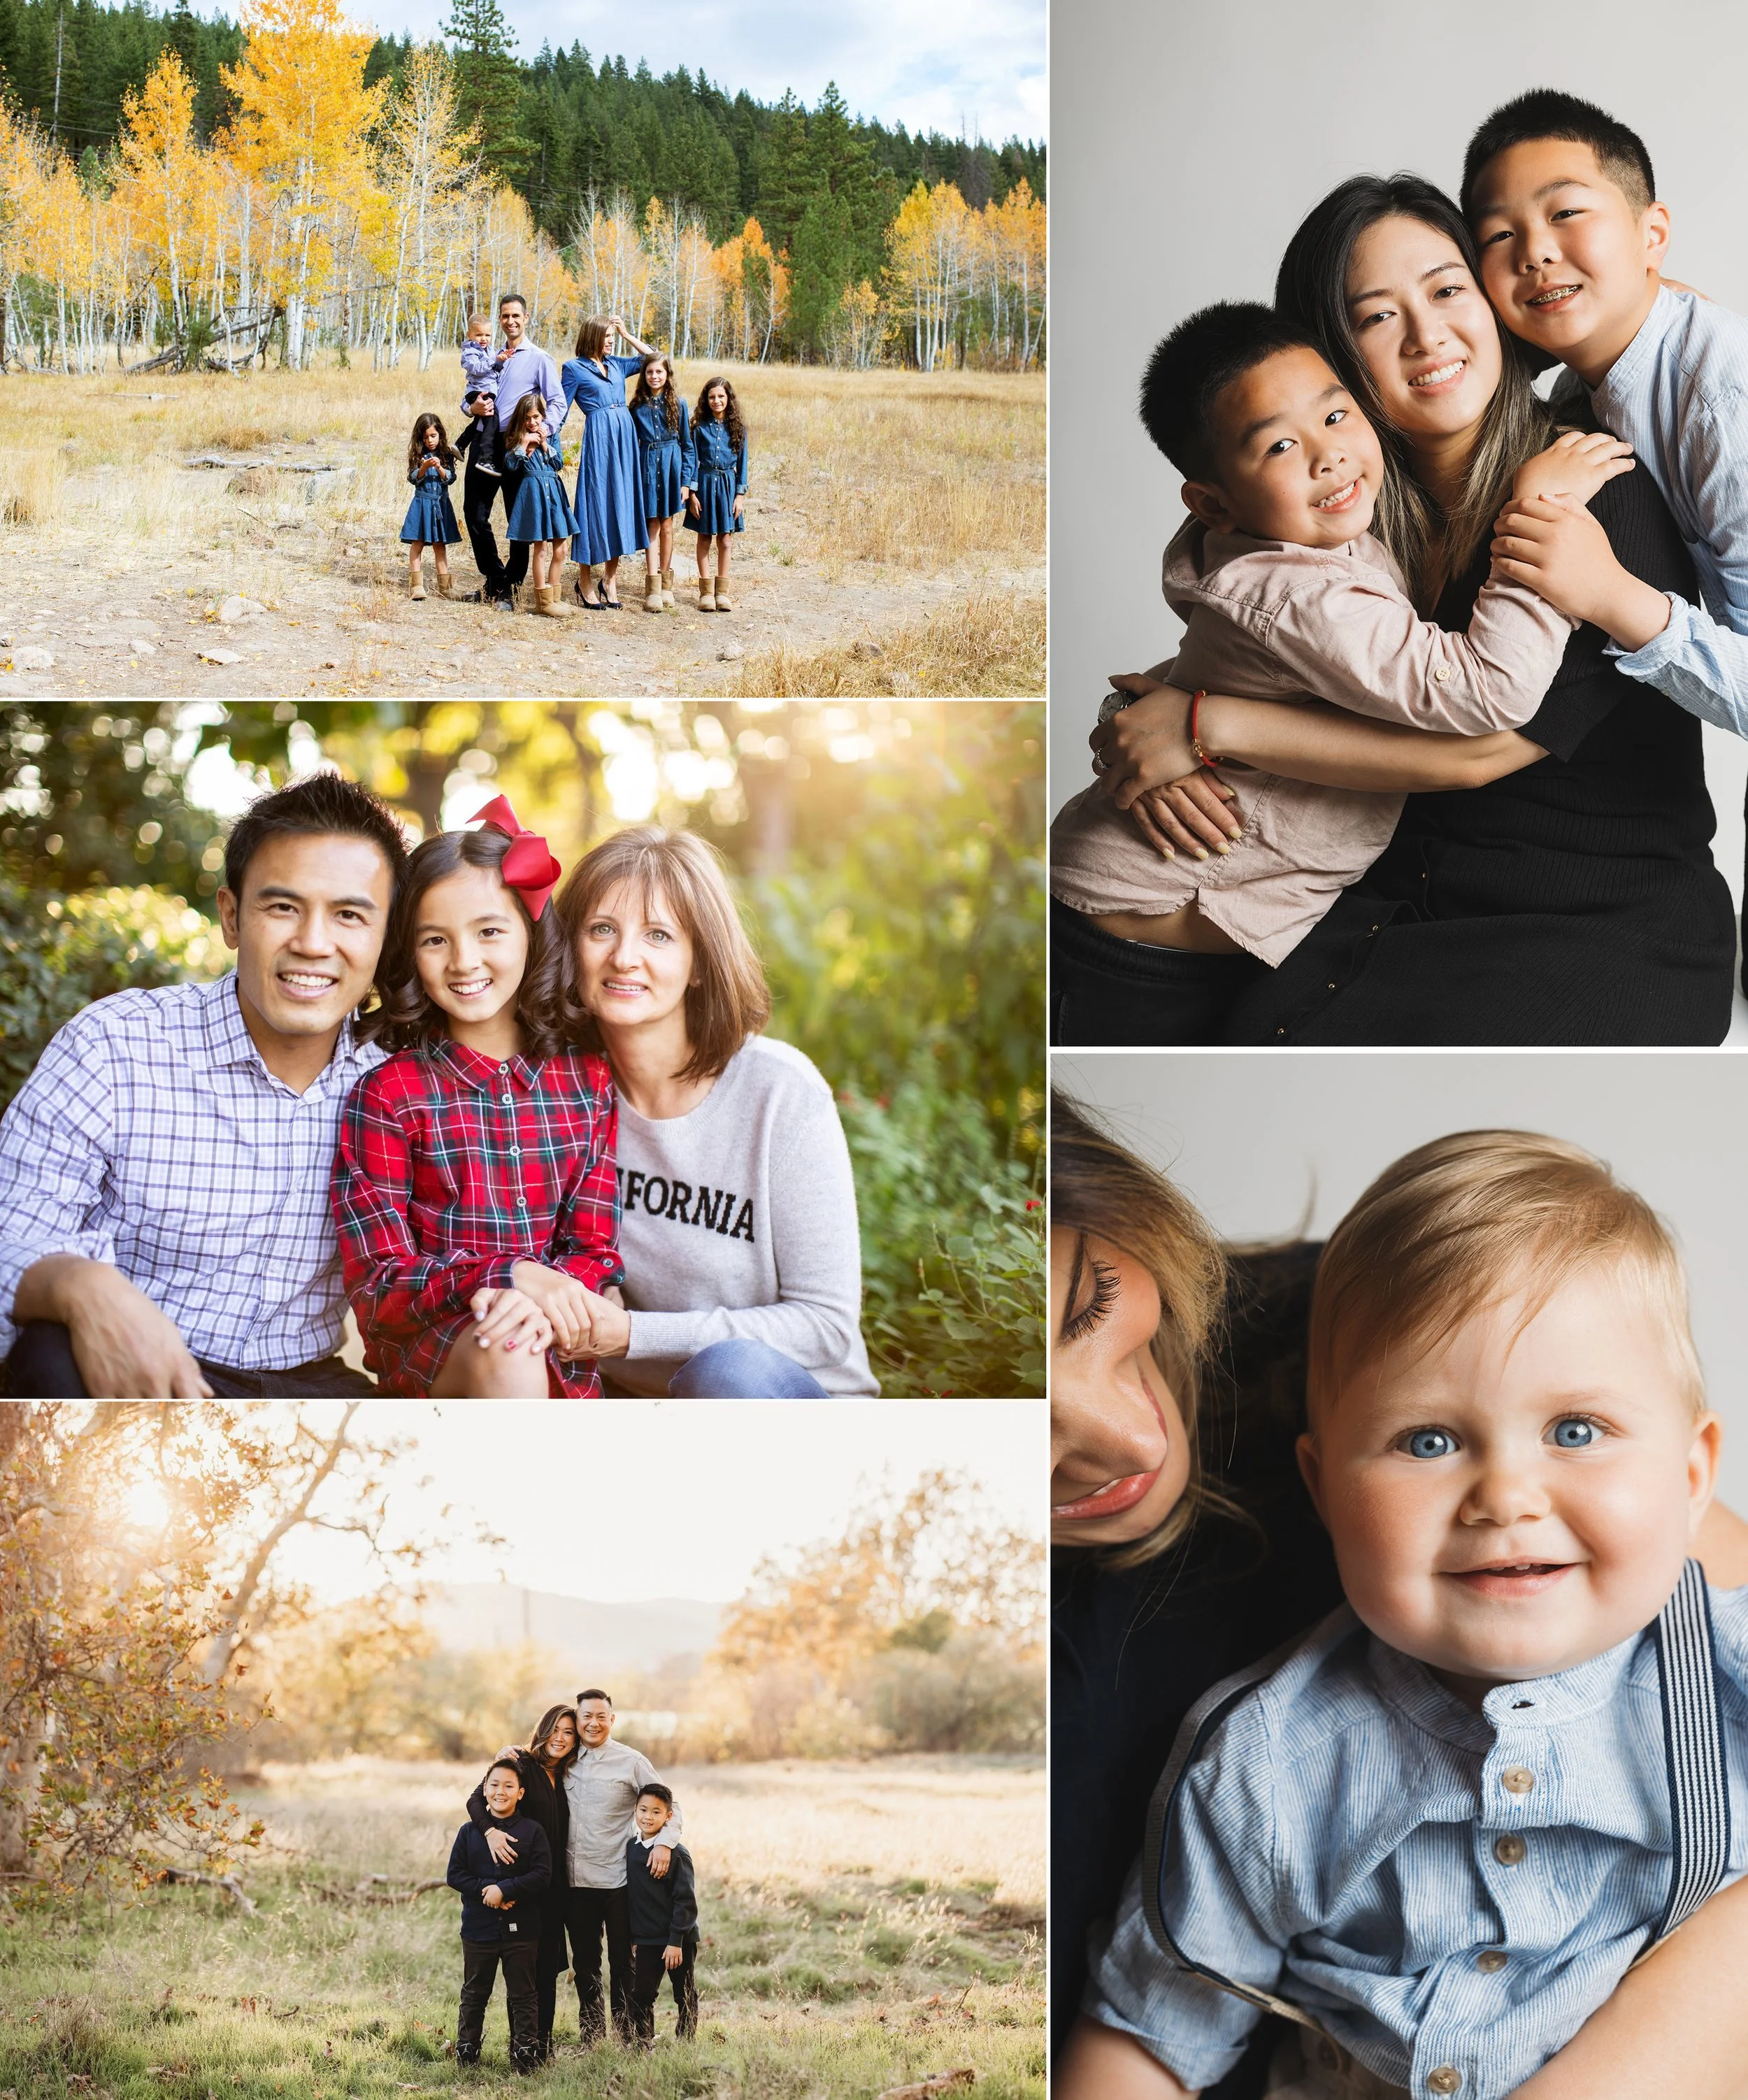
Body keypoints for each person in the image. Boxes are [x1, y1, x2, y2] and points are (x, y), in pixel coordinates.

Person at [1059, 1127, 1748, 2100]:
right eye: (1428, 1438)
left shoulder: (1725, 1674)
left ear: (1691, 1476)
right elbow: (1151, 2029)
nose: (1506, 1493)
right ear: (1323, 1487)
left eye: (1576, 1430)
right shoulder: (1268, 1761)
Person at [1089, 173, 1735, 1045]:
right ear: (1325, 359)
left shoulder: (1588, 489)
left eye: (1446, 290)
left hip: (1591, 925)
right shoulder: (1335, 509)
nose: (1428, 335)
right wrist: (1140, 713)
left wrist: (1204, 725)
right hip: (1390, 908)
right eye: (1375, 316)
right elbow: (1250, 639)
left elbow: (1475, 749)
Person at [1049, 301, 1605, 1045]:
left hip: (1208, 923)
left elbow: (1236, 666)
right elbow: (1488, 688)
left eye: (1336, 417)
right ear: (1213, 502)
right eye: (1279, 447)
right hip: (1127, 947)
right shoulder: (1302, 589)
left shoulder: (1303, 543)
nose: (1327, 456)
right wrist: (1541, 510)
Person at [1462, 92, 1748, 990]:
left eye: (1566, 212)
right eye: (1498, 235)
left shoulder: (1719, 401)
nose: (1535, 250)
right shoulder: (1595, 375)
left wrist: (1612, 597)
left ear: (1651, 232)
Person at [0, 774, 406, 1399]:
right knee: (49, 1355)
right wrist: (81, 1285)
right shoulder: (117, 1046)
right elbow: (9, 1238)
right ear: (232, 917)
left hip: (309, 1386)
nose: (313, 943)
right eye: (282, 907)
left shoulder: (399, 1081)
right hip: (132, 1367)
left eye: (349, 915)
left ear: (385, 938)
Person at [545, 824, 878, 1398]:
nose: (625, 957)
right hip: (628, 1406)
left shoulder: (778, 1092)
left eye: (658, 935)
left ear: (700, 962)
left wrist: (633, 1334)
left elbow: (826, 1325)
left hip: (774, 1400)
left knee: (726, 1372)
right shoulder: (556, 1096)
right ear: (571, 948)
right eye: (602, 929)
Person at [331, 794, 622, 1398]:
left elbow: (594, 1247)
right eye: (435, 940)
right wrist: (506, 1278)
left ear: (531, 933)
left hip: (558, 1343)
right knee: (508, 1342)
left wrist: (544, 1297)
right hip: (437, 1357)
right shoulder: (387, 1095)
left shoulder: (589, 1081)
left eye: (489, 930)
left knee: (520, 1335)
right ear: (408, 950)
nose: (464, 961)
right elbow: (379, 1284)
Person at [548, 1689, 680, 2049]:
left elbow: (672, 1804)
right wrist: (506, 1752)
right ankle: (592, 2039)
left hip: (620, 1881)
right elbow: (527, 1759)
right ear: (577, 1720)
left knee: (624, 1964)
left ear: (612, 1720)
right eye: (586, 1716)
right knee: (586, 1963)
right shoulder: (565, 1758)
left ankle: (631, 2037)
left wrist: (666, 1843)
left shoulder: (631, 1761)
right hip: (576, 1883)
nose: (593, 1723)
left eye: (600, 1716)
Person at [466, 1705, 578, 2062]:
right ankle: (521, 2047)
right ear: (543, 1730)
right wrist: (490, 1832)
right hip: (522, 1887)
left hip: (554, 1886)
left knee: (546, 1968)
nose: (560, 1738)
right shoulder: (521, 1764)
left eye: (569, 1732)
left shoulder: (568, 1773)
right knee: (524, 1972)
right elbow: (475, 1798)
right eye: (555, 1729)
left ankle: (538, 2048)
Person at [446, 1756, 552, 2072]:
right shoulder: (469, 1832)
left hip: (523, 1932)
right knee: (475, 1992)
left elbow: (542, 1875)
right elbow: (455, 1875)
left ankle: (524, 2055)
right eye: (494, 1785)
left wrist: (506, 1890)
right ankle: (467, 2051)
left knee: (523, 1994)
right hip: (478, 1929)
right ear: (485, 1790)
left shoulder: (533, 1831)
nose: (500, 1791)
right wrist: (486, 1890)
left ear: (521, 1793)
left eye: (509, 1786)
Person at [461, 292, 564, 608]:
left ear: (526, 318)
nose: (510, 321)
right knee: (474, 514)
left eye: (516, 315)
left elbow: (558, 403)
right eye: (505, 316)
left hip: (518, 446)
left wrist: (540, 433)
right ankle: (496, 580)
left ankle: (512, 588)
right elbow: (470, 393)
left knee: (518, 517)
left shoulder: (538, 358)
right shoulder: (486, 352)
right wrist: (470, 408)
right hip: (484, 440)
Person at [560, 313, 657, 609]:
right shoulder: (574, 369)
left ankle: (610, 580)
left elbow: (654, 357)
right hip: (599, 441)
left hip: (625, 442)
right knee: (595, 505)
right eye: (608, 337)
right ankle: (585, 579)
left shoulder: (617, 364)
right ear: (593, 337)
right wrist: (545, 440)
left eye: (614, 338)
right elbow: (559, 409)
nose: (611, 342)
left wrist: (627, 335)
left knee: (621, 504)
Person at [626, 1783, 699, 2045]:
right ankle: (644, 2041)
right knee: (642, 1993)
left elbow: (686, 1901)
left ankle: (686, 2042)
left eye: (656, 1812)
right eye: (643, 1810)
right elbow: (634, 1898)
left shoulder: (677, 1854)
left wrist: (676, 1941)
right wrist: (635, 1936)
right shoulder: (632, 1849)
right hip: (646, 1938)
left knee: (684, 1993)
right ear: (634, 1810)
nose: (648, 1816)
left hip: (677, 1939)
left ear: (668, 1817)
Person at [502, 394, 578, 620]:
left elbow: (558, 464)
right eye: (527, 418)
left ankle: (555, 597)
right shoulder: (518, 438)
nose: (533, 422)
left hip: (553, 491)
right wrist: (524, 444)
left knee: (561, 548)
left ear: (543, 416)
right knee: (541, 548)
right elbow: (511, 465)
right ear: (521, 420)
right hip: (533, 492)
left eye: (536, 416)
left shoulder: (551, 436)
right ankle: (543, 602)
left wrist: (544, 444)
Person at [629, 354, 693, 613]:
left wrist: (686, 482)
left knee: (667, 525)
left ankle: (667, 585)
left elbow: (688, 447)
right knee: (652, 526)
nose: (654, 376)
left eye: (659, 372)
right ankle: (653, 588)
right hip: (647, 467)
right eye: (649, 372)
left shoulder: (679, 404)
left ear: (667, 375)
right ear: (643, 377)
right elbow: (632, 446)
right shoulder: (636, 408)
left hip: (671, 469)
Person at [686, 376, 748, 612]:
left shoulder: (738, 429)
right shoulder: (699, 428)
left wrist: (739, 495)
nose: (717, 400)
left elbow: (743, 463)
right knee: (704, 537)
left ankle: (722, 593)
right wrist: (692, 493)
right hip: (704, 484)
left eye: (721, 396)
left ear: (729, 399)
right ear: (706, 399)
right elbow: (692, 461)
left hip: (728, 485)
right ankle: (706, 593)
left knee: (725, 539)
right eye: (712, 397)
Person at [401, 412, 461, 601]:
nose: (430, 440)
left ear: (440, 435)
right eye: (425, 437)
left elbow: (451, 479)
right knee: (417, 543)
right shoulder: (418, 455)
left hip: (440, 505)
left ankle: (445, 587)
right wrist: (425, 467)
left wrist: (440, 468)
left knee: (439, 545)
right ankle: (417, 586)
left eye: (433, 436)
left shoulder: (446, 454)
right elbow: (413, 478)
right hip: (422, 504)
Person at [459, 309, 507, 421]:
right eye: (479, 335)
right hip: (478, 391)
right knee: (491, 423)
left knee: (480, 424)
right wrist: (494, 359)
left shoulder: (491, 351)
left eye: (487, 335)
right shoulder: (469, 352)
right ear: (469, 335)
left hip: (490, 391)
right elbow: (476, 368)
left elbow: (496, 370)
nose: (484, 339)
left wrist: (501, 361)